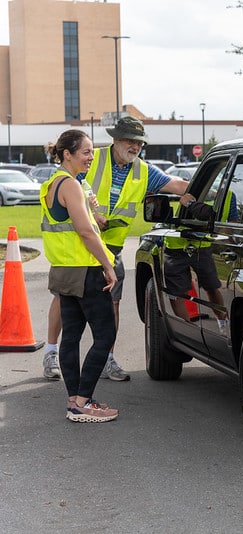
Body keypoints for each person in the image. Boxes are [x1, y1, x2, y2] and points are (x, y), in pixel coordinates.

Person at [42, 117, 188, 381]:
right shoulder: (89, 158)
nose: (135, 147)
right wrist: (89, 213)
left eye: (140, 143)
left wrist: (205, 190)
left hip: (113, 247)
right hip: (79, 244)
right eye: (130, 141)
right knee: (64, 298)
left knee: (113, 302)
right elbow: (71, 186)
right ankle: (51, 352)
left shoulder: (143, 171)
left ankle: (107, 359)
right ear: (116, 140)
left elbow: (175, 184)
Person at [41, 129, 119, 422]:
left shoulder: (51, 184)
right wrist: (108, 266)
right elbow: (85, 232)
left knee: (71, 336)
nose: (91, 156)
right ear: (67, 155)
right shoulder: (70, 186)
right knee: (105, 335)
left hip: (63, 270)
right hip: (84, 271)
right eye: (85, 152)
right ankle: (84, 402)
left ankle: (74, 400)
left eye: (91, 151)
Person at [163, 192, 231, 330]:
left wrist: (190, 204)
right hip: (178, 245)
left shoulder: (222, 190)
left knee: (211, 287)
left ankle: (223, 324)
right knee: (177, 294)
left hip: (201, 243)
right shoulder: (189, 185)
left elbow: (212, 215)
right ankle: (187, 331)